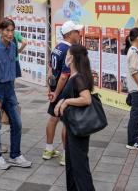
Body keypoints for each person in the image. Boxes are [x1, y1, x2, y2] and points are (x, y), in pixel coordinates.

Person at [0, 19, 32, 170]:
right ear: (0, 31)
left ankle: (15, 155)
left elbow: (14, 65)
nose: (10, 34)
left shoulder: (13, 46)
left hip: (9, 89)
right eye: (7, 30)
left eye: (12, 30)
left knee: (17, 123)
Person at [53, 45, 96, 191]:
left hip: (79, 129)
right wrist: (60, 100)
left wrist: (66, 102)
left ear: (71, 58)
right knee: (71, 165)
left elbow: (86, 99)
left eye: (68, 54)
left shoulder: (78, 77)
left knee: (80, 168)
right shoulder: (74, 75)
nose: (66, 56)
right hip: (72, 127)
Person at [45, 20, 83, 166]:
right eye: (76, 32)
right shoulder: (69, 50)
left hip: (56, 88)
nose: (79, 34)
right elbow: (63, 75)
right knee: (66, 123)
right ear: (69, 34)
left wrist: (51, 89)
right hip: (65, 90)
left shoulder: (57, 47)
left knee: (53, 118)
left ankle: (48, 150)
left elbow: (51, 70)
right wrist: (57, 93)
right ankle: (66, 155)